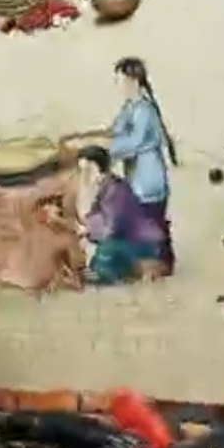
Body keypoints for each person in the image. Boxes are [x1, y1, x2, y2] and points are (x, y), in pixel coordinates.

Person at [108, 56, 179, 273]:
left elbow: (134, 142)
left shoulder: (144, 110)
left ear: (133, 81)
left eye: (121, 80)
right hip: (136, 174)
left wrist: (108, 150)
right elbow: (115, 131)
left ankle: (162, 263)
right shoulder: (130, 107)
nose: (119, 86)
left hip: (148, 175)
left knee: (150, 219)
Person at [75, 145, 169, 285]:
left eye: (87, 170)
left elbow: (113, 228)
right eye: (81, 171)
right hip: (131, 239)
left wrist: (88, 230)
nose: (84, 176)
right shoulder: (105, 188)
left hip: (144, 243)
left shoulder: (115, 190)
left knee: (104, 256)